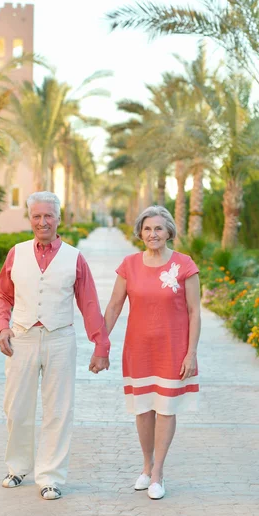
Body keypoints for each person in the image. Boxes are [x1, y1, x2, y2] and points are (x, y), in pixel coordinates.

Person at [0, 191, 110, 500]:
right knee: (16, 408)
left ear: (60, 219)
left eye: (48, 216)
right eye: (36, 216)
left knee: (58, 410)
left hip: (60, 338)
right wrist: (3, 328)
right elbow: (2, 295)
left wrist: (101, 346)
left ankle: (50, 477)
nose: (42, 221)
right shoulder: (16, 253)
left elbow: (89, 304)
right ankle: (17, 468)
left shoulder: (75, 257)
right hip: (22, 338)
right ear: (30, 218)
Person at [104, 206, 201, 500]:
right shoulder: (129, 265)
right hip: (139, 349)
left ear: (169, 231)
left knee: (166, 409)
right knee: (143, 409)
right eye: (147, 229)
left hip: (173, 350)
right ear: (140, 232)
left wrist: (191, 353)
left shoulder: (185, 265)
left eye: (159, 228)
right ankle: (146, 467)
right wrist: (100, 343)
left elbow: (195, 312)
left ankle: (158, 472)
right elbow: (114, 306)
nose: (153, 234)